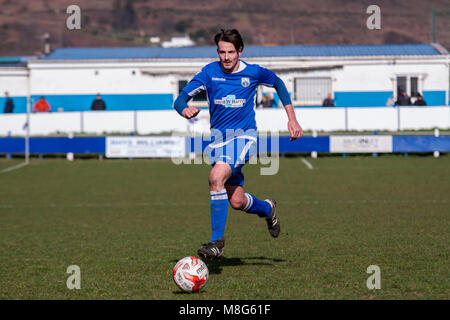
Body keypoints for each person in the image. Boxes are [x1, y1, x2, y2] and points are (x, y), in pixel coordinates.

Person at [173, 29, 303, 260]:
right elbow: (180, 98)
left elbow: (279, 84)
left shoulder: (253, 72)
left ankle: (216, 243)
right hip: (218, 143)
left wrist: (291, 118)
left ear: (240, 51)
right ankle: (267, 209)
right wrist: (184, 108)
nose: (226, 57)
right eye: (222, 52)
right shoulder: (209, 73)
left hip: (244, 137)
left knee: (215, 178)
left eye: (231, 52)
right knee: (236, 200)